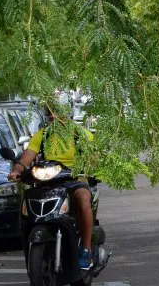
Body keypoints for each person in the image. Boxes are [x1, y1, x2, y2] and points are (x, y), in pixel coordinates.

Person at [8, 107, 95, 270]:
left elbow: (93, 156)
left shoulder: (80, 134)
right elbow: (27, 156)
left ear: (66, 114)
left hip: (75, 180)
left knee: (83, 199)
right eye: (50, 113)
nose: (52, 116)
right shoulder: (43, 135)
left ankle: (86, 250)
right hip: (49, 181)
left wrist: (93, 168)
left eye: (56, 112)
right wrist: (17, 171)